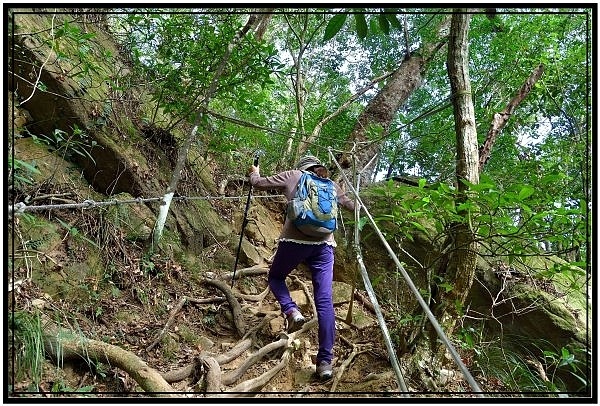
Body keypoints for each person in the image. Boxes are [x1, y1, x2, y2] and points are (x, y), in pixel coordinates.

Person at [248, 155, 355, 381]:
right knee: (324, 301)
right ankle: (325, 363)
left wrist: (254, 171)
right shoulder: (332, 185)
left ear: (302, 167)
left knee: (276, 278)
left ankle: (292, 310)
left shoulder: (293, 175)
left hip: (294, 242)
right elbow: (352, 207)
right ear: (319, 168)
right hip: (324, 246)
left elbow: (258, 184)